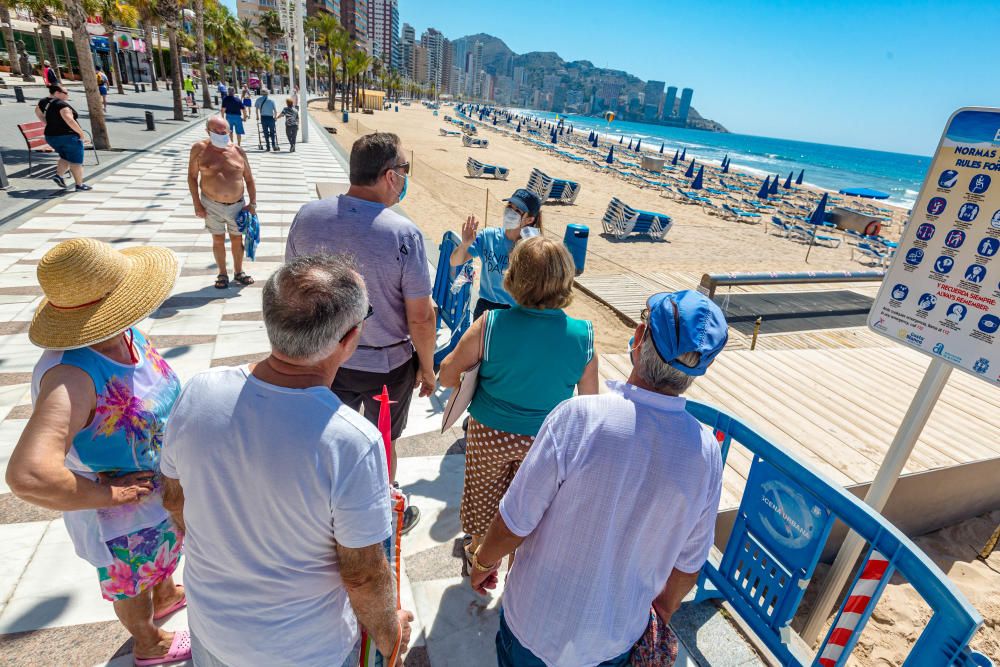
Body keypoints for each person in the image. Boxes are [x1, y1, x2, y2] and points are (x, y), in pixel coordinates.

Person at [160, 255, 414, 667]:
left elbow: (174, 499)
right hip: (304, 651)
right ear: (349, 339)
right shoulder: (351, 441)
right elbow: (362, 574)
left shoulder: (199, 392)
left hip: (212, 629)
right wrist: (390, 634)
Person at [469, 290, 728, 667]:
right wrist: (659, 613)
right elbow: (689, 563)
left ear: (639, 338)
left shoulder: (579, 418)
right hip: (614, 640)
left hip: (534, 623)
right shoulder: (705, 453)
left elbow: (516, 519)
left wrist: (483, 562)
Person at [6, 238, 191, 666]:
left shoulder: (126, 334)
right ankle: (148, 642)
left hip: (156, 493)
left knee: (158, 562)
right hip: (120, 519)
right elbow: (29, 474)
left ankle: (162, 594)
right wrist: (109, 496)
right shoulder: (70, 374)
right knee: (129, 583)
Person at [286, 132, 436, 534]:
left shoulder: (308, 217)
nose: (404, 179)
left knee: (326, 434)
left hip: (322, 357)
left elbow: (293, 288)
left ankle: (325, 506)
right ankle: (382, 505)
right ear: (390, 176)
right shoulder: (403, 235)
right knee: (382, 438)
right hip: (385, 365)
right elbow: (420, 317)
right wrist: (428, 368)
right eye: (404, 171)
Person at [439, 237, 598, 572]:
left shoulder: (491, 324)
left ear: (513, 277)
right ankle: (517, 565)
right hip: (545, 439)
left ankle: (480, 555)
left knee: (483, 497)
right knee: (527, 507)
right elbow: (590, 406)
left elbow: (448, 375)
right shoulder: (583, 335)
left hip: (489, 432)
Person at [450, 188, 543, 320]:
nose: (511, 212)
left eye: (518, 211)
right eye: (510, 206)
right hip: (485, 309)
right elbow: (454, 261)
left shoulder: (532, 248)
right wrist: (465, 244)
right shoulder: (489, 236)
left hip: (514, 313)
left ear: (529, 220)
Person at [188, 117, 256, 289]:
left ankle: (239, 272)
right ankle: (222, 273)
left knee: (237, 238)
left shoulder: (238, 151)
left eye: (223, 131)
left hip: (237, 204)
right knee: (217, 239)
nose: (220, 134)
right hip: (211, 204)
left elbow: (248, 179)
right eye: (216, 131)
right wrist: (197, 204)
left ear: (229, 131)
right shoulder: (200, 149)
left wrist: (252, 204)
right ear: (208, 132)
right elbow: (192, 177)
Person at [40, 85, 92, 192]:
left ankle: (58, 176)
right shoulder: (62, 105)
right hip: (68, 137)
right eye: (65, 93)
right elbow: (69, 120)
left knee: (65, 156)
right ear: (57, 93)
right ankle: (79, 185)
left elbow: (37, 112)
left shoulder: (43, 102)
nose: (67, 95)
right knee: (76, 162)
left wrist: (49, 123)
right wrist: (81, 134)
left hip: (51, 137)